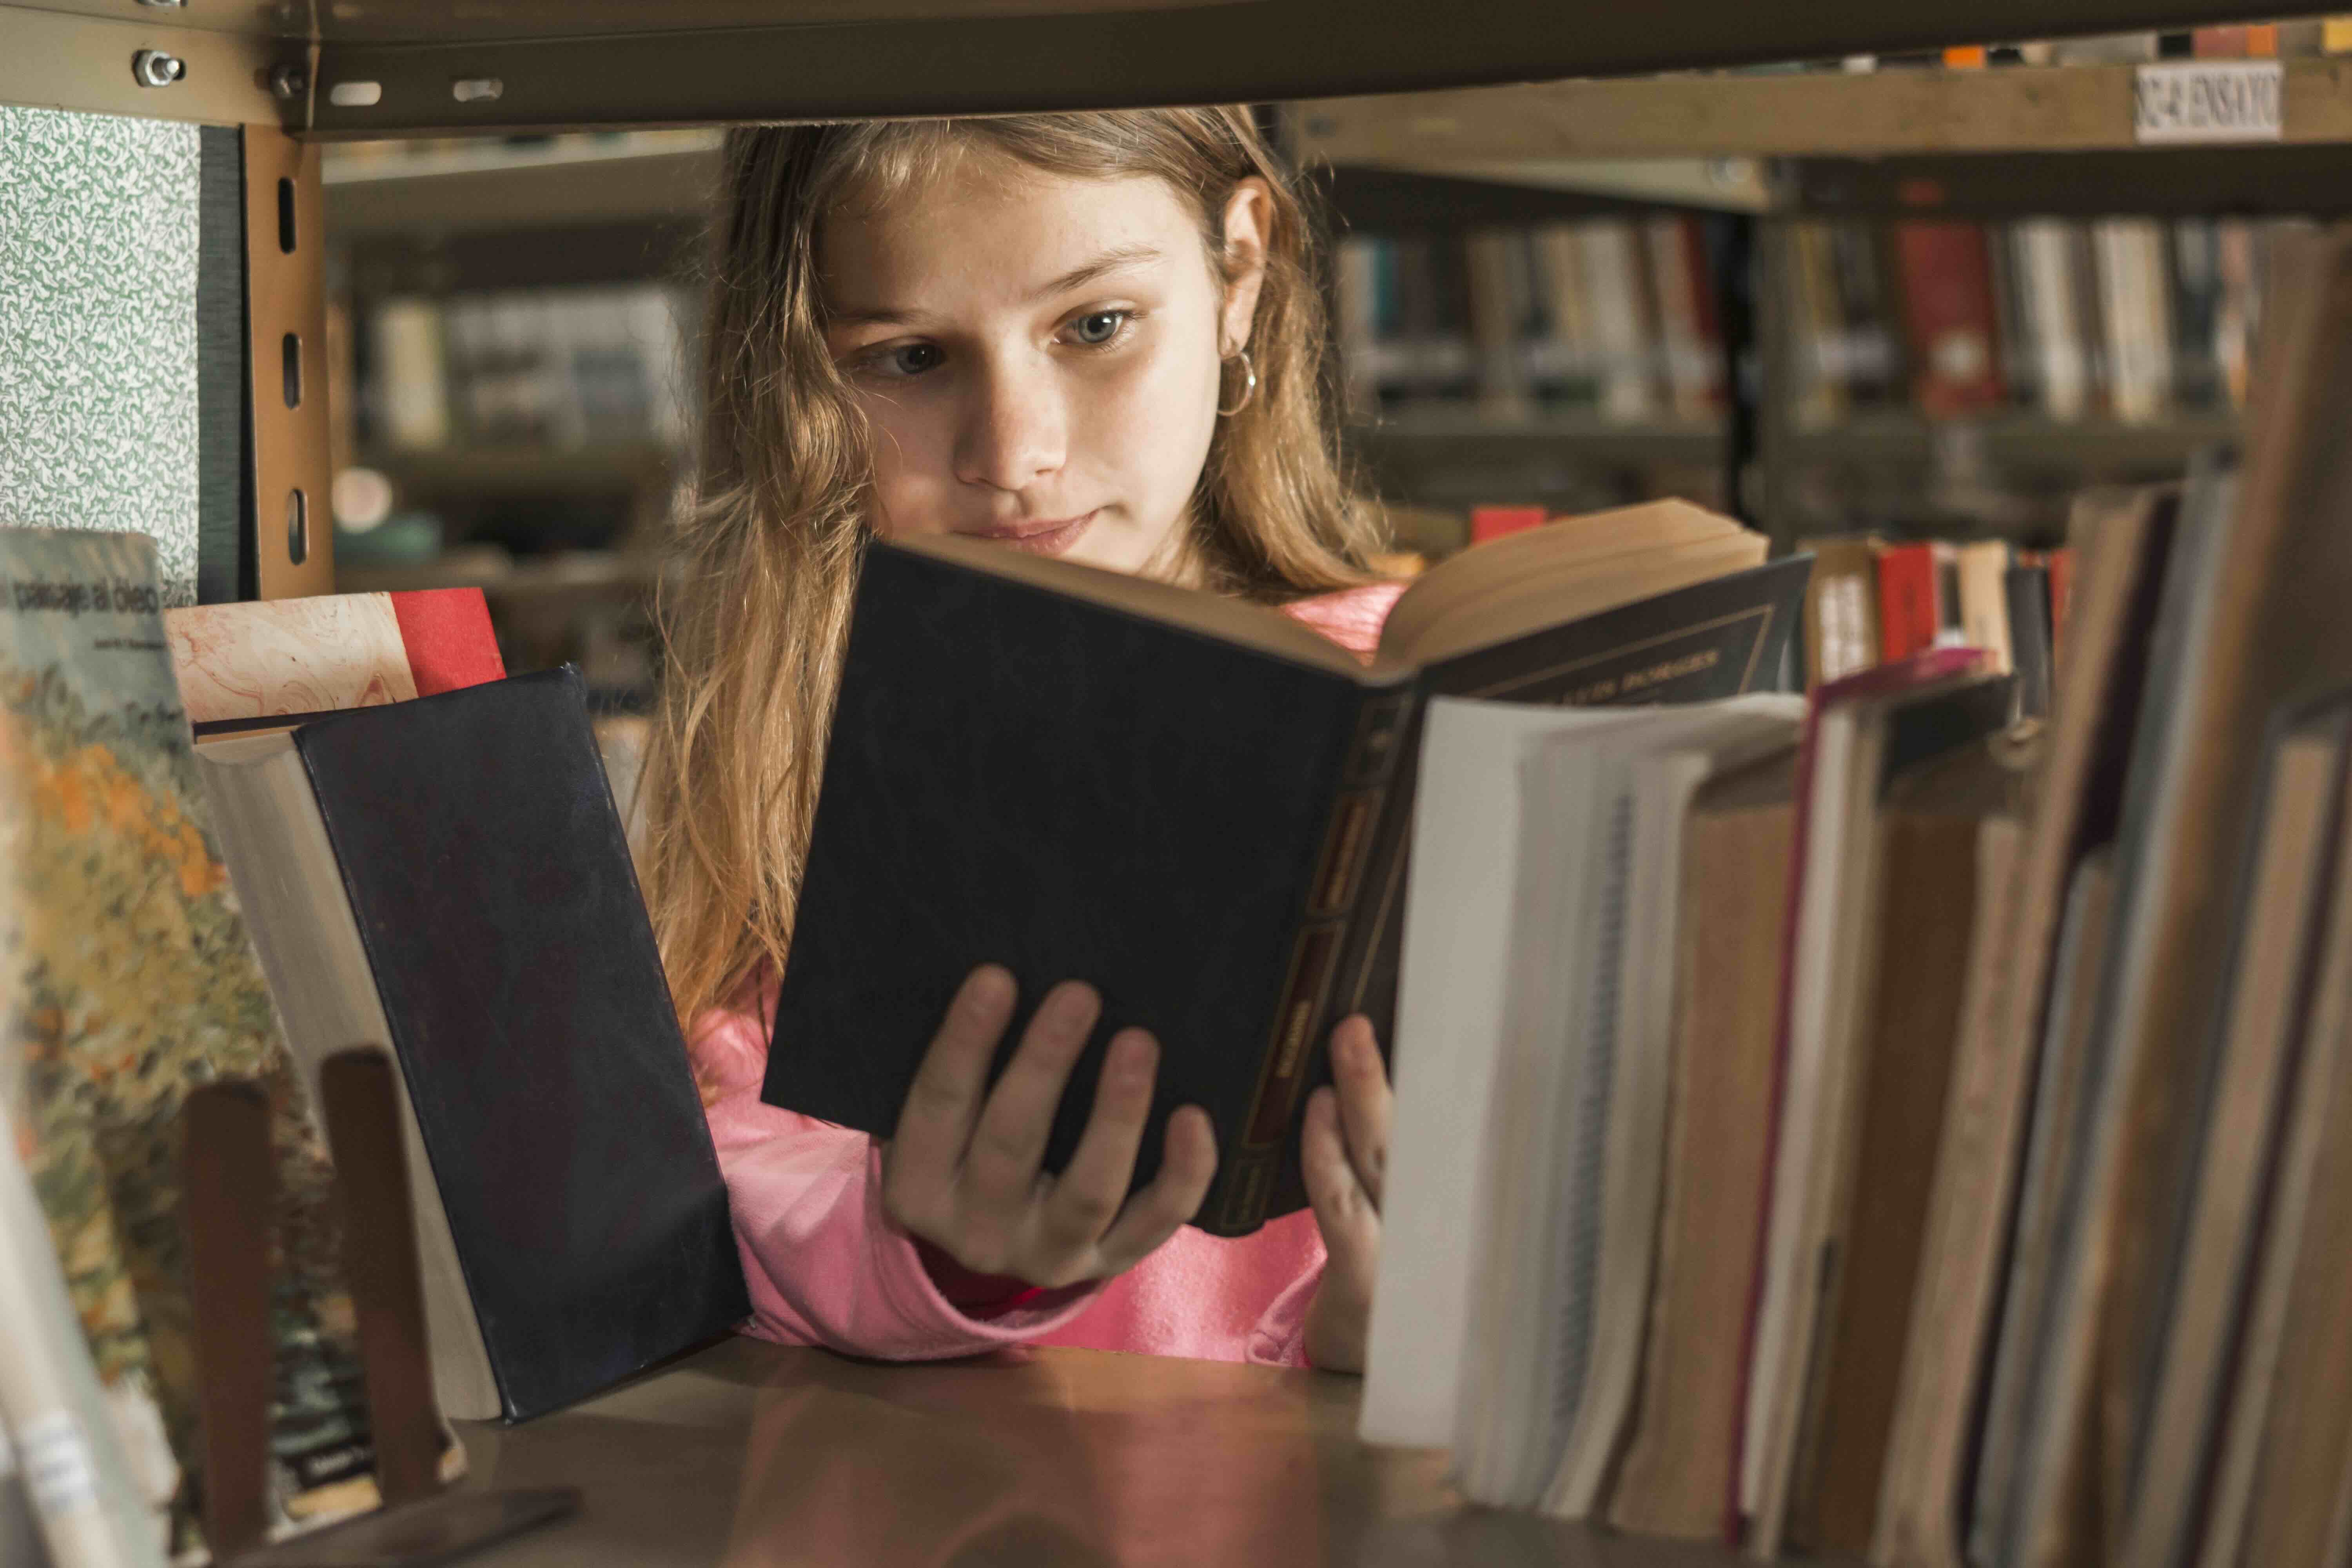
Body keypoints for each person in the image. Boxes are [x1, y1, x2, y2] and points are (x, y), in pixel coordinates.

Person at [637, 108, 1404, 1373]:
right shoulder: (780, 767)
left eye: (1096, 326)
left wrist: (1385, 1355)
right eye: (908, 358)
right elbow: (715, 1218)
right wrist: (939, 1257)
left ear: (1240, 274)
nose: (1016, 455)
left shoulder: (1399, 695)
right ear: (795, 384)